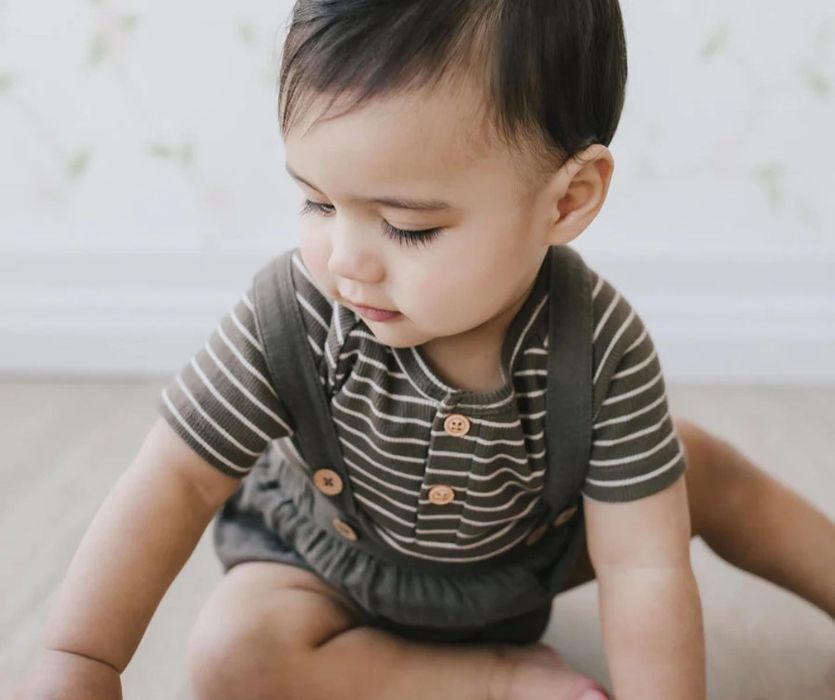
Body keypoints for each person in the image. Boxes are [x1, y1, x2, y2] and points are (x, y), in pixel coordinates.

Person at [13, 2, 835, 699]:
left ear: (566, 201)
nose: (345, 259)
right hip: (330, 569)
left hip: (527, 556)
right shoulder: (289, 316)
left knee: (691, 472)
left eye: (409, 226)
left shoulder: (598, 347)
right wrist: (77, 659)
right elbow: (173, 479)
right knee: (232, 653)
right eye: (316, 202)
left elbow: (642, 572)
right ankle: (492, 680)